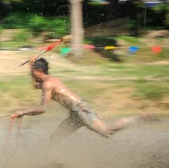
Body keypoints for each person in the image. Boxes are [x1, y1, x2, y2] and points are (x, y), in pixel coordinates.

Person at [11, 57, 153, 144]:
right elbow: (35, 85)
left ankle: (139, 118)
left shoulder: (48, 83)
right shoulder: (46, 82)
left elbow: (42, 109)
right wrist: (30, 65)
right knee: (55, 137)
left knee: (106, 132)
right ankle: (54, 165)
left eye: (33, 71)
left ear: (39, 71)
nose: (32, 74)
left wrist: (23, 112)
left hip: (81, 110)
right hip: (76, 113)